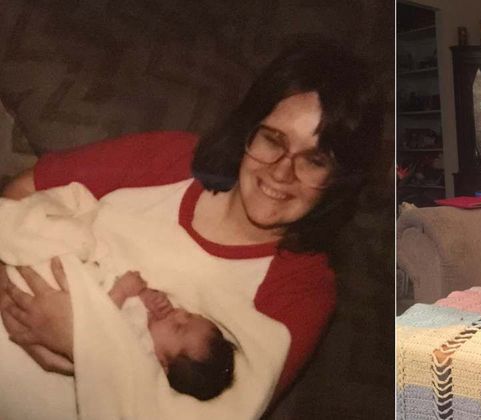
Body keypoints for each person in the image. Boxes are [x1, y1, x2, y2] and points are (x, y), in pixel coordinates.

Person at [0, 35, 384, 417]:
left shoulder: (301, 292)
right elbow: (24, 193)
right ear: (249, 128)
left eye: (314, 161)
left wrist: (87, 346)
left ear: (338, 180)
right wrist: (11, 291)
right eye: (272, 140)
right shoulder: (171, 158)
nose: (282, 172)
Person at [107, 271, 235, 401]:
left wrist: (121, 292)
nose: (178, 313)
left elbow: (99, 331)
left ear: (163, 364)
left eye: (177, 327)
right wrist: (144, 295)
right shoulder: (155, 324)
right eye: (189, 315)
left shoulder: (139, 354)